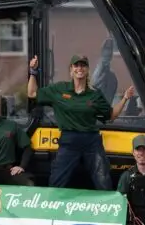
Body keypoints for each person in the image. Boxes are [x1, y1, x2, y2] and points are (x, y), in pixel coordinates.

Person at [27, 54, 134, 190]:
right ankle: (54, 210)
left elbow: (111, 115)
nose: (79, 68)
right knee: (56, 182)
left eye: (83, 65)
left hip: (91, 141)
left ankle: (105, 209)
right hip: (68, 140)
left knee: (103, 181)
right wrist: (33, 72)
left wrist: (124, 98)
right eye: (76, 65)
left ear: (88, 69)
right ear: (71, 69)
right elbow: (32, 93)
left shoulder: (95, 94)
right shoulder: (60, 89)